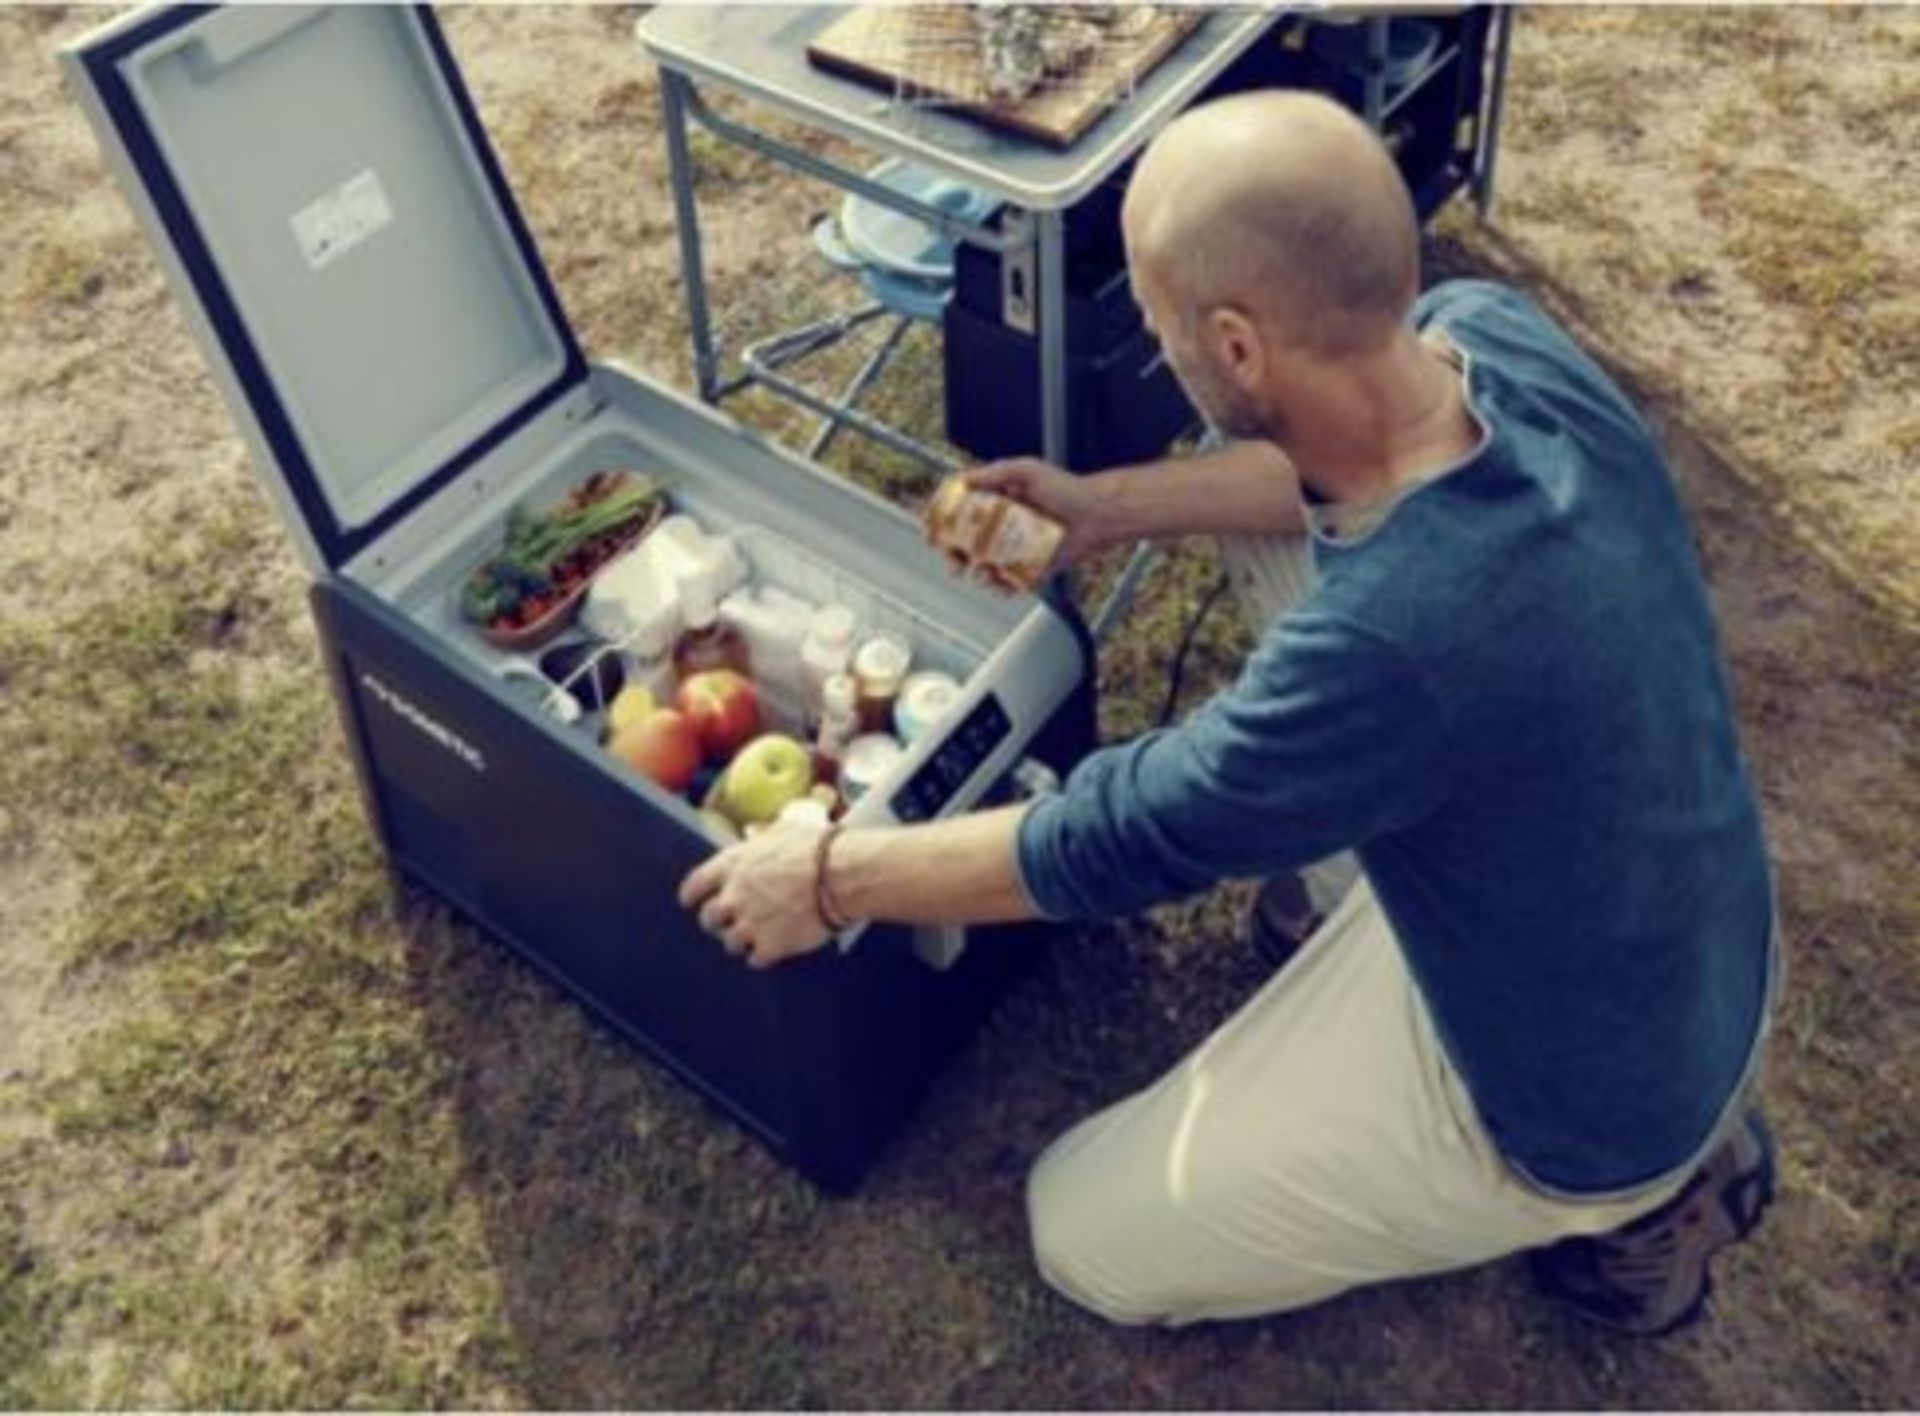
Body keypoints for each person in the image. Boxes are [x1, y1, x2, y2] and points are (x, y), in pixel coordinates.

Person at [679, 91, 1777, 1335]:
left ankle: (1647, 1206)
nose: (1152, 336)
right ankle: (1374, 912)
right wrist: (1102, 507)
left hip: (1579, 1088)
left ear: (1239, 349)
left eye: (1157, 315)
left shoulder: (1392, 646)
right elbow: (1313, 478)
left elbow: (1112, 841)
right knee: (1289, 537)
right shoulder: (1488, 336)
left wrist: (826, 878)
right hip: (1669, 914)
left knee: (1081, 1229)